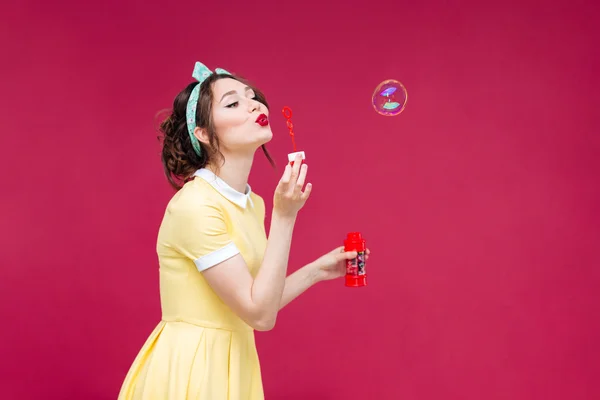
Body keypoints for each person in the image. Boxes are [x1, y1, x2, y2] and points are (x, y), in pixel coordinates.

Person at [118, 61, 369, 399]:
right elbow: (261, 316)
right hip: (193, 367)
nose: (255, 105)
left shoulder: (252, 204)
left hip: (233, 364)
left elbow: (255, 301)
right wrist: (285, 217)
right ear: (203, 134)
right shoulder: (196, 206)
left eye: (253, 97)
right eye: (233, 103)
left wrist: (317, 271)